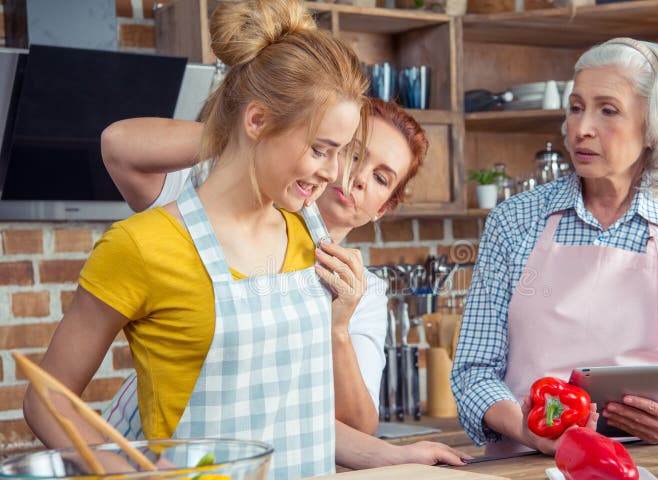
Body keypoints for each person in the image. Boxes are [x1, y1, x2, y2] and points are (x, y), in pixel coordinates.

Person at [23, 0, 464, 480]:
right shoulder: (143, 245)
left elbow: (289, 417)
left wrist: (390, 454)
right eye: (322, 149)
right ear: (256, 121)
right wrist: (132, 474)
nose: (335, 174)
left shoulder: (310, 239)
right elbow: (47, 400)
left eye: (344, 155)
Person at [451, 37, 658, 455]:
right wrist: (528, 432)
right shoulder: (515, 222)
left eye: (608, 110)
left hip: (653, 463)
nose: (581, 128)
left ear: (654, 127)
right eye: (576, 106)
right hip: (527, 463)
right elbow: (473, 373)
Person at [101, 98, 426, 436]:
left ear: (382, 209)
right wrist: (253, 140)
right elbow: (120, 145)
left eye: (381, 178)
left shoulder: (363, 292)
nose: (357, 177)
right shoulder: (214, 204)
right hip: (144, 450)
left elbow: (358, 428)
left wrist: (338, 328)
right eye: (352, 154)